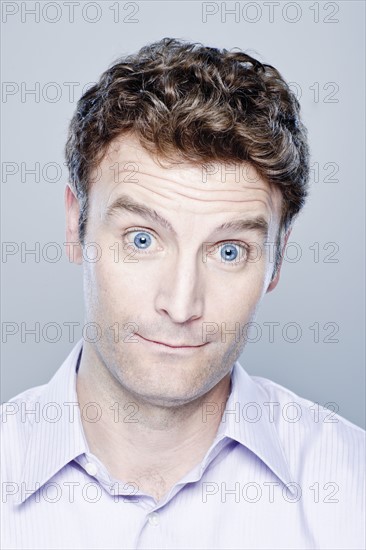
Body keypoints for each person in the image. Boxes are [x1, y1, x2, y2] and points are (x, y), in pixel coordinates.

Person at [1, 37, 364, 550]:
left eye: (229, 251)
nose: (181, 303)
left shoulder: (353, 495)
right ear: (74, 227)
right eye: (142, 239)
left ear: (278, 258)